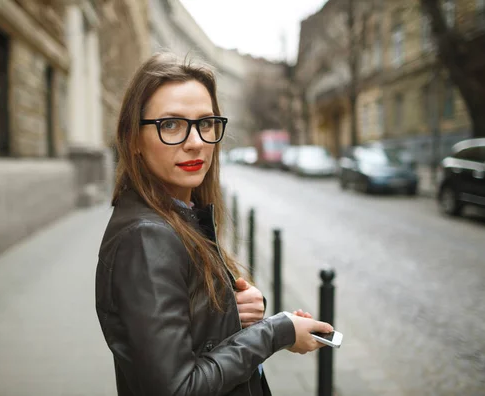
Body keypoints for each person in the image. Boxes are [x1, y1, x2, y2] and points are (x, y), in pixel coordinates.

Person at [95, 53, 333, 396]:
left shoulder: (180, 212)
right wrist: (275, 332)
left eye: (205, 123)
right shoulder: (146, 238)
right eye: (171, 125)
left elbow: (184, 337)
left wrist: (228, 312)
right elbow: (179, 388)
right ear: (133, 140)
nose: (195, 141)